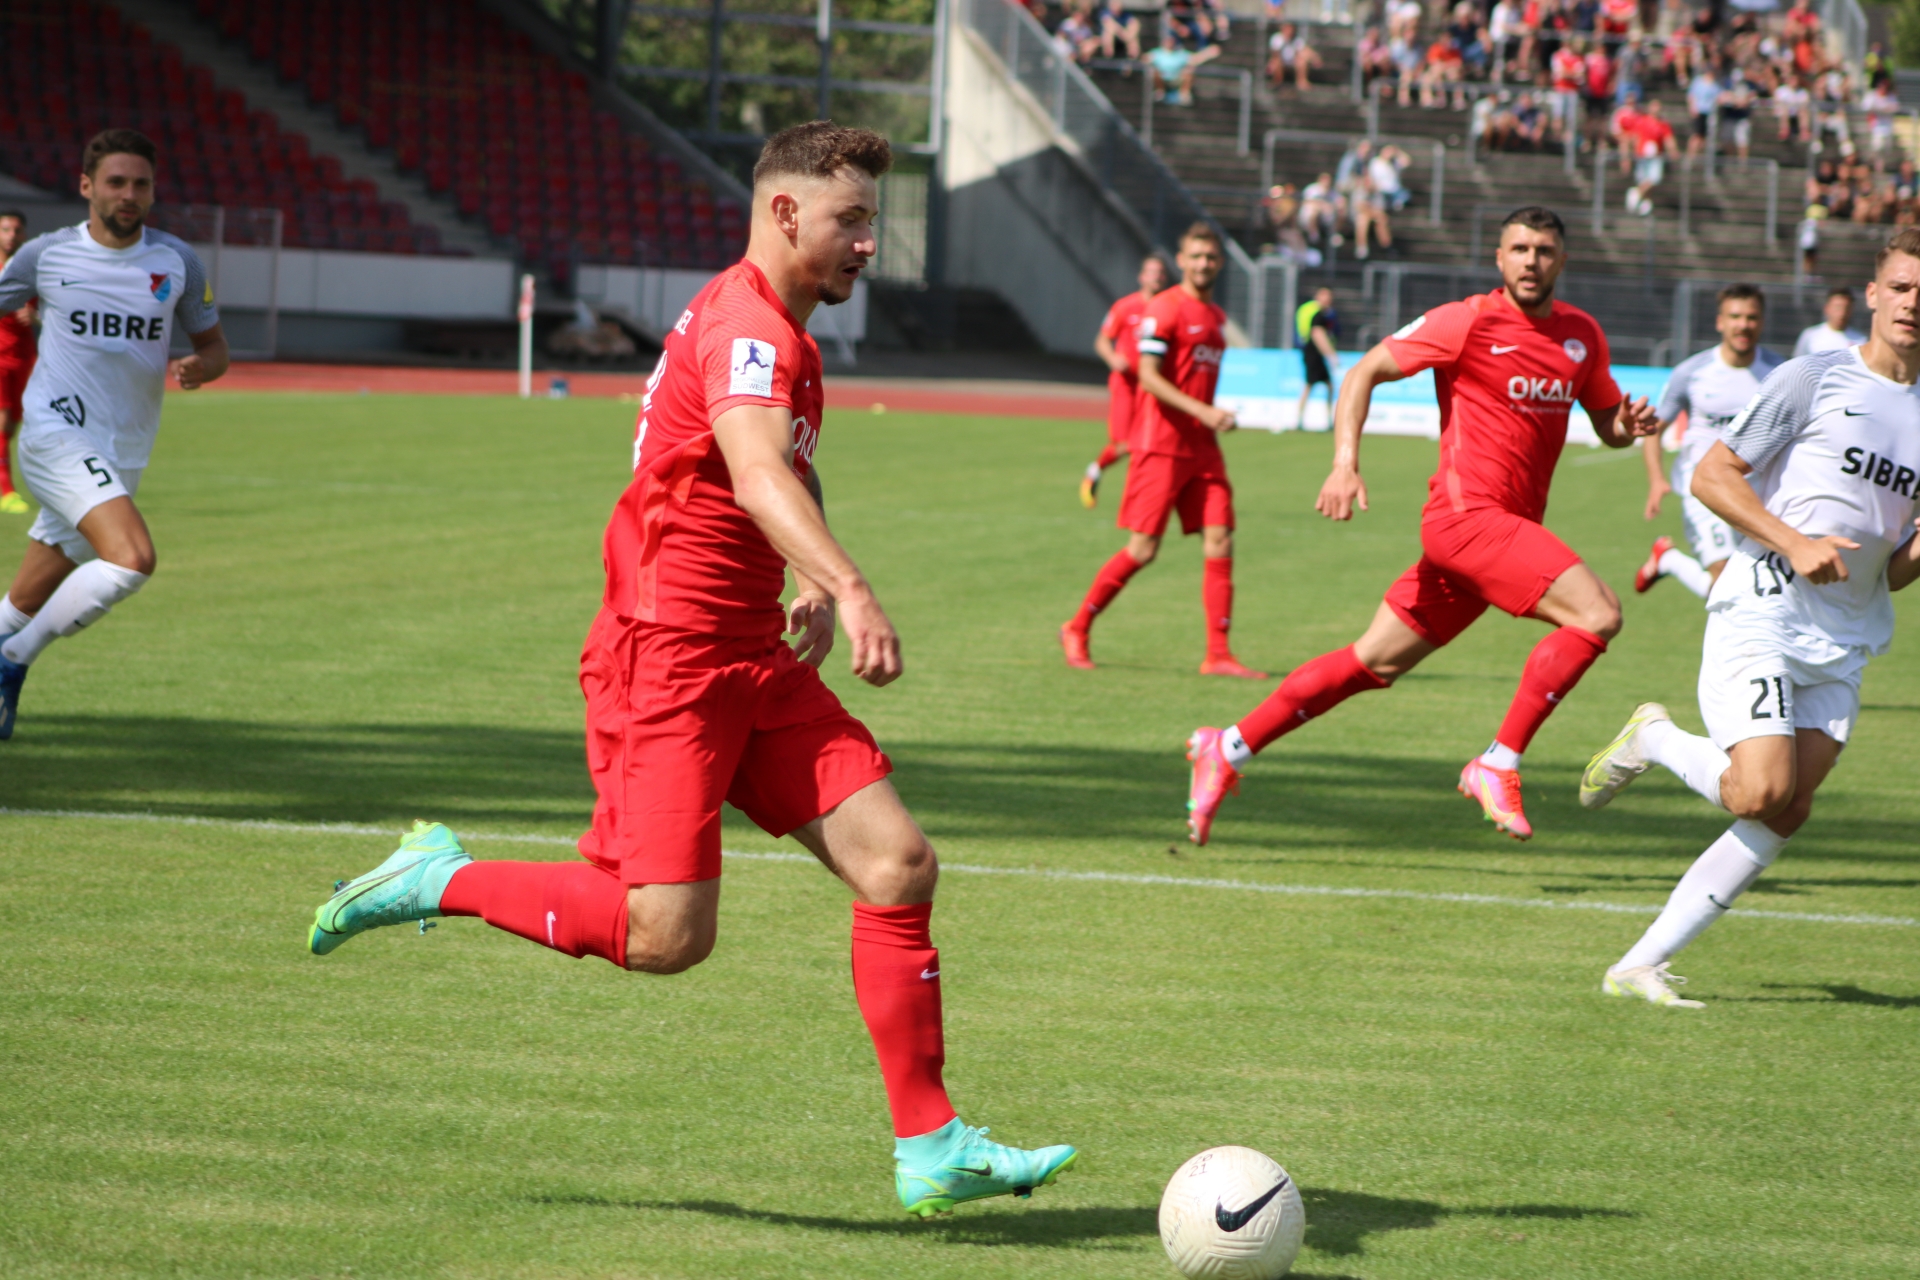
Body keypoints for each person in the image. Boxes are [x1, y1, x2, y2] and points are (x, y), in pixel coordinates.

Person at [305, 122, 1078, 1216]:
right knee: (666, 936)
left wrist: (804, 576)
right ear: (785, 212)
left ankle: (932, 1145)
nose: (870, 242)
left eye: (873, 219)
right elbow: (757, 472)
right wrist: (851, 584)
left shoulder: (779, 329)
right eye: (853, 219)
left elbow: (775, 475)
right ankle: (438, 878)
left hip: (749, 652)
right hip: (666, 655)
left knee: (898, 864)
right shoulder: (749, 327)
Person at [1184, 206, 1659, 845]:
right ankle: (1498, 762)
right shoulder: (1466, 320)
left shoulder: (1582, 335)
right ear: (1499, 257)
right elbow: (1364, 372)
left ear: (1561, 261)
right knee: (1597, 614)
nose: (1531, 261)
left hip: (1490, 538)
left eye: (1544, 250)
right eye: (1519, 249)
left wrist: (1628, 426)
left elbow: (1607, 427)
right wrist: (1344, 464)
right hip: (1467, 521)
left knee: (1370, 662)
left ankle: (1227, 747)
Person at [1581, 229, 1920, 1007]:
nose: (1913, 304)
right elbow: (1712, 474)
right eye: (1902, 287)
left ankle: (1638, 966)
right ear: (1874, 295)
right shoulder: (1815, 377)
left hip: (1847, 632)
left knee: (1789, 808)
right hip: (1765, 605)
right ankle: (1653, 738)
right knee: (1759, 791)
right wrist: (1794, 542)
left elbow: (1895, 571)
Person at [0, 129, 230, 739]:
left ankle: (5, 643)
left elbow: (215, 346)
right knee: (131, 560)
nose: (129, 194)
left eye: (140, 184)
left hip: (124, 450)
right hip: (55, 434)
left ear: (152, 192)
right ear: (87, 186)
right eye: (116, 182)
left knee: (22, 601)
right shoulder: (46, 255)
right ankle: (13, 661)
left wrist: (202, 366)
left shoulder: (177, 262)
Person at [1061, 222, 1263, 679]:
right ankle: (1077, 627)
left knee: (1221, 539)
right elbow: (1149, 376)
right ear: (1182, 260)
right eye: (1196, 256)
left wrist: (1211, 417)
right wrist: (1204, 411)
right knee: (1143, 549)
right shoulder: (1165, 308)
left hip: (1203, 447)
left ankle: (1218, 654)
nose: (1203, 264)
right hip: (1161, 445)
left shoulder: (1215, 316)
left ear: (1220, 262)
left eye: (1210, 257)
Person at [1636, 284, 1783, 599]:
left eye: (1751, 317)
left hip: (1755, 490)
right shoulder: (1692, 372)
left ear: (1762, 321)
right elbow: (1654, 429)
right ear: (1720, 322)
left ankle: (1669, 560)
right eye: (1735, 316)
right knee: (1726, 578)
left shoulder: (1780, 374)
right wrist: (1657, 480)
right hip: (1702, 486)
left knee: (1747, 585)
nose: (1743, 325)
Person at [1084, 253, 1170, 507]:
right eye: (1152, 272)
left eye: (1160, 273)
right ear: (1141, 277)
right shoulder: (1125, 307)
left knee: (1150, 444)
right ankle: (1095, 470)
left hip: (1153, 386)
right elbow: (1102, 340)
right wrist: (1113, 358)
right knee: (1124, 444)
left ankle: (1141, 496)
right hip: (1126, 384)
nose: (1156, 277)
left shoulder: (1168, 307)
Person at [0, 210, 36, 516]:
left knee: (12, 423)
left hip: (23, 354)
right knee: (1, 421)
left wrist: (35, 316)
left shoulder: (31, 270)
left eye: (16, 230)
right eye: (5, 229)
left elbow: (52, 307)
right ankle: (5, 491)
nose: (11, 235)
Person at [1294, 286, 1340, 430]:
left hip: (1316, 354)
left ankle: (1328, 420)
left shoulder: (1325, 314)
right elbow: (1318, 335)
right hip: (1313, 354)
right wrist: (1331, 355)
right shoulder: (1318, 315)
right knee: (1309, 385)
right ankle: (1299, 420)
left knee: (1327, 386)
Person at [1623, 97, 1677, 216]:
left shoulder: (1663, 124)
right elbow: (1634, 136)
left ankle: (1639, 195)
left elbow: (1668, 139)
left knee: (1654, 179)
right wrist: (1630, 153)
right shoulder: (1642, 121)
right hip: (1643, 155)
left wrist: (1673, 150)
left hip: (1656, 157)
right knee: (1644, 179)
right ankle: (1640, 196)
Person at [1793, 286, 1866, 356]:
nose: (1842, 313)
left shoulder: (1861, 340)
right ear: (1827, 308)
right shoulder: (1810, 336)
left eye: (1846, 308)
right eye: (1837, 307)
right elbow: (1798, 362)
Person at [1147, 30, 1197, 106]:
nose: (1169, 43)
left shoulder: (1180, 53)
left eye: (1171, 40)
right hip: (1163, 78)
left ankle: (1184, 94)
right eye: (1168, 40)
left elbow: (1194, 59)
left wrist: (1208, 53)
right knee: (1154, 71)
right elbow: (1145, 58)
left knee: (1189, 71)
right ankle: (1160, 92)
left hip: (1177, 78)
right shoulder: (1157, 53)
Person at [1268, 22, 1323, 91]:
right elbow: (1275, 55)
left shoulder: (1296, 39)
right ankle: (1277, 82)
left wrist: (1315, 58)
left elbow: (1304, 50)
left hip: (1292, 62)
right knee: (1276, 62)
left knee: (1301, 61)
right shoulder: (1277, 38)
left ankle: (1301, 82)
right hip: (1280, 61)